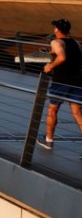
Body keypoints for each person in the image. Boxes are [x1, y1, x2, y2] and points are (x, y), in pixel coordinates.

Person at [38, 18, 82, 149]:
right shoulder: (77, 43)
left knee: (53, 110)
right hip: (77, 81)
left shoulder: (56, 42)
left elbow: (62, 57)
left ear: (56, 29)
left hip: (61, 81)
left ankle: (49, 141)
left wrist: (50, 66)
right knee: (77, 114)